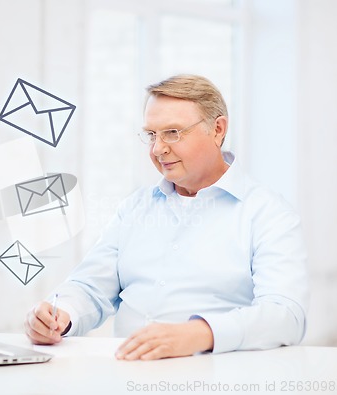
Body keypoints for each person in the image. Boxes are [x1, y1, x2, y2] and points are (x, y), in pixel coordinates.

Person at [24, 74, 308, 360]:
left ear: (218, 130)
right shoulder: (135, 208)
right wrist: (59, 315)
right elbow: (90, 287)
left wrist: (200, 333)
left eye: (173, 132)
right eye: (151, 134)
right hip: (127, 376)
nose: (158, 148)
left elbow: (286, 315)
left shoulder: (267, 213)